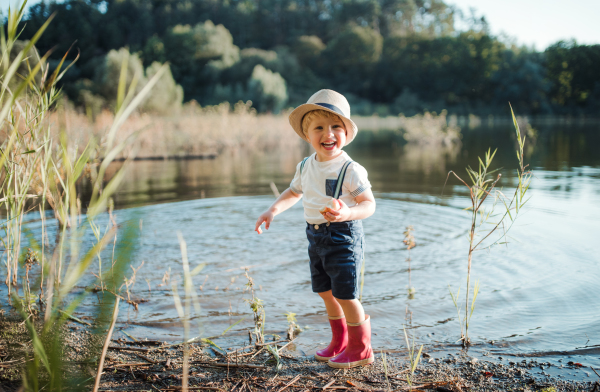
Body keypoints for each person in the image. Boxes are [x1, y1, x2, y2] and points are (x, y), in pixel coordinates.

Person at [254, 89, 376, 369]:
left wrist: (347, 212)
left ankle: (361, 349)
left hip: (343, 236)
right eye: (319, 127)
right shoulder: (306, 165)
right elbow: (294, 192)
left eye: (335, 127)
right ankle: (340, 341)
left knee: (347, 294)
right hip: (316, 236)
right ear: (307, 135)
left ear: (345, 133)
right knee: (325, 291)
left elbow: (369, 204)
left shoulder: (350, 169)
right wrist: (272, 209)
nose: (327, 133)